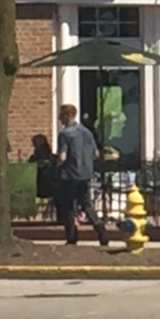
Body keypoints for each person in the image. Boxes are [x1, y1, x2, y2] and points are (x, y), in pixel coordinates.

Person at [53, 103, 109, 247]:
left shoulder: (65, 134)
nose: (59, 118)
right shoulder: (87, 132)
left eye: (61, 115)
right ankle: (101, 230)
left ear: (67, 115)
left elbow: (62, 156)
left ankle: (72, 237)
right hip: (85, 174)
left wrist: (56, 165)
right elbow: (96, 153)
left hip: (69, 175)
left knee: (69, 206)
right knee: (86, 204)